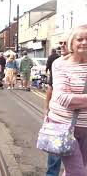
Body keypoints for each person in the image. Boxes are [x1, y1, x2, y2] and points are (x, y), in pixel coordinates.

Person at [47, 25, 87, 176]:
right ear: (72, 42)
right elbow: (63, 98)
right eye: (80, 39)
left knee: (79, 168)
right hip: (62, 126)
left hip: (85, 128)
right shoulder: (60, 64)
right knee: (78, 172)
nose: (84, 42)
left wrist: (78, 100)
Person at [44, 36, 69, 176]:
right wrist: (46, 109)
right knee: (54, 157)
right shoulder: (57, 64)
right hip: (58, 117)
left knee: (77, 161)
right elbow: (50, 87)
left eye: (66, 43)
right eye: (61, 43)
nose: (62, 46)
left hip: (80, 120)